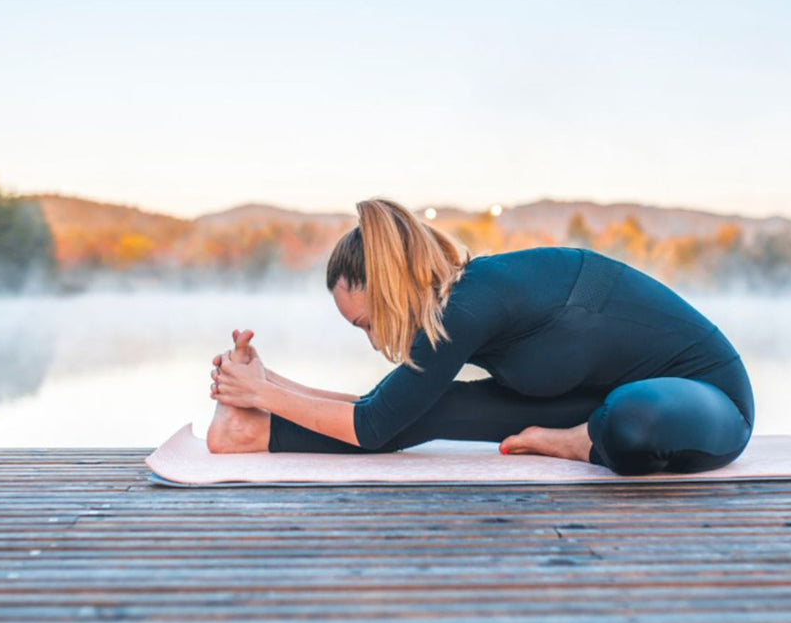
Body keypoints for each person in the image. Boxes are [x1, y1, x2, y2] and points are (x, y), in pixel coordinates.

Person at [207, 197, 754, 476]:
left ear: (393, 288)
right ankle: (249, 434)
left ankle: (576, 442)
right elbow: (389, 410)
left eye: (367, 321)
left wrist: (264, 392)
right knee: (431, 408)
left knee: (632, 421)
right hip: (588, 399)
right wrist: (264, 387)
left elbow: (372, 427)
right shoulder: (455, 307)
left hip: (704, 401)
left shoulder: (471, 301)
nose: (373, 340)